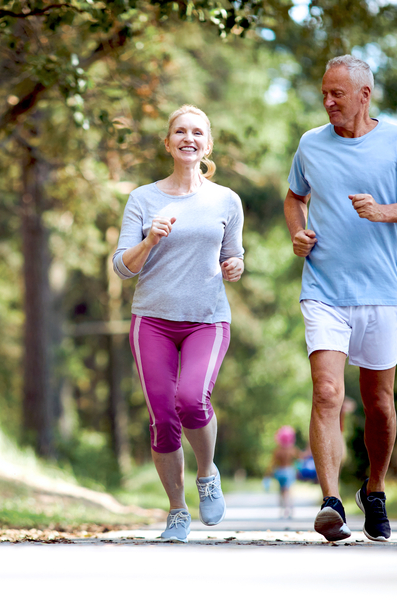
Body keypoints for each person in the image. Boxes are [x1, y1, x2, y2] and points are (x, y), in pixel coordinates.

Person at [284, 55, 397, 542]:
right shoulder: (310, 144)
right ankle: (330, 502)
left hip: (380, 294)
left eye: (337, 94)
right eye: (324, 92)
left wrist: (383, 211)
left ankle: (374, 489)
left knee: (380, 405)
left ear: (364, 95)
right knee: (328, 392)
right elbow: (294, 197)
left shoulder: (396, 141)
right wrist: (298, 233)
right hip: (324, 289)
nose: (327, 101)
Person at [113, 105, 245, 542]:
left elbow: (233, 254)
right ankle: (176, 510)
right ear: (168, 142)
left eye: (197, 132)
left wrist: (235, 266)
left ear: (207, 144)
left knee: (191, 399)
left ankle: (207, 473)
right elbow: (121, 267)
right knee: (162, 418)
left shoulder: (226, 200)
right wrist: (150, 239)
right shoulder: (143, 199)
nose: (189, 138)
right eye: (180, 132)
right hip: (151, 320)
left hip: (207, 320)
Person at [268, 425, 301, 518]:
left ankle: (282, 509)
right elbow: (300, 458)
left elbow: (273, 463)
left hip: (280, 471)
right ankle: (289, 508)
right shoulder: (292, 449)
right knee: (288, 491)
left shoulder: (277, 450)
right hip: (289, 471)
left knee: (281, 491)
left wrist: (269, 473)